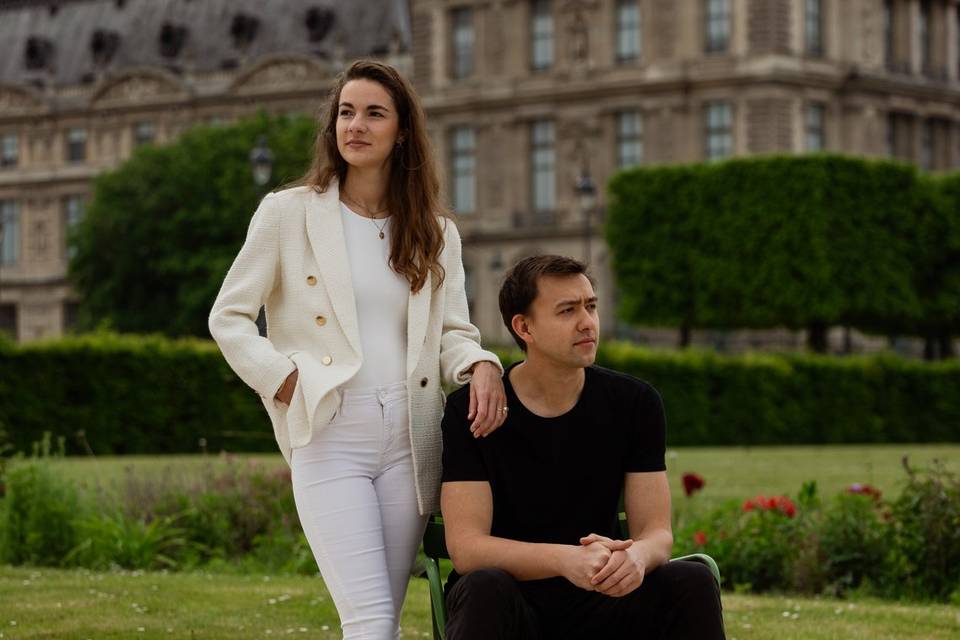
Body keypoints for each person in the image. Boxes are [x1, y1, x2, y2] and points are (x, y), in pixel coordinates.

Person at [208, 59, 506, 639]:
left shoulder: (436, 231)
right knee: (369, 623)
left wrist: (481, 363)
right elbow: (230, 317)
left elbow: (452, 332)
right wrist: (282, 377)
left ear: (402, 131)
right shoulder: (287, 213)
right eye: (346, 112)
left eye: (374, 113)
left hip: (409, 441)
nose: (356, 125)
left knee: (382, 623)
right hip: (329, 429)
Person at [440, 255, 725, 639]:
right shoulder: (473, 410)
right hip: (512, 603)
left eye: (590, 306)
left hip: (602, 594)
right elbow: (467, 549)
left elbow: (656, 533)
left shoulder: (635, 402)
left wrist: (636, 559)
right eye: (567, 311)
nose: (587, 322)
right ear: (524, 327)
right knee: (483, 585)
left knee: (692, 578)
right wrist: (564, 559)